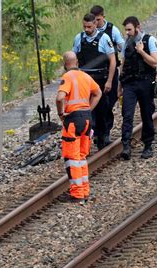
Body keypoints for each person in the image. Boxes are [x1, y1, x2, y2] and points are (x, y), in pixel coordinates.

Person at [56, 51, 102, 202]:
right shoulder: (85, 76)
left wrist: (61, 113)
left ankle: (77, 194)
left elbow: (60, 97)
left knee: (72, 158)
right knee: (82, 157)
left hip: (73, 121)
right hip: (87, 119)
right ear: (77, 62)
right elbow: (98, 93)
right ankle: (84, 190)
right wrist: (88, 108)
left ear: (65, 64)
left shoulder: (67, 77)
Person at [72, 13, 115, 150]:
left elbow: (112, 61)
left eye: (89, 26)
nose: (87, 29)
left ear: (95, 24)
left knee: (102, 110)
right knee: (85, 111)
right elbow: (74, 59)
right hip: (84, 81)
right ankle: (87, 139)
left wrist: (109, 81)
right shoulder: (79, 38)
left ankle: (102, 137)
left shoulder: (104, 38)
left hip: (100, 80)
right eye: (84, 26)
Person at [118, 16, 157, 160]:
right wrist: (120, 85)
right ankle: (126, 146)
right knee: (127, 114)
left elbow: (155, 62)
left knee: (146, 114)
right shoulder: (126, 42)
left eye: (129, 29)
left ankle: (147, 145)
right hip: (129, 83)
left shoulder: (150, 40)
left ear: (137, 27)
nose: (127, 32)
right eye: (126, 30)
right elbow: (123, 64)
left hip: (146, 83)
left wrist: (141, 51)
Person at [90, 5, 125, 144]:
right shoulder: (89, 33)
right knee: (95, 104)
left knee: (108, 103)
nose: (96, 23)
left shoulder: (112, 30)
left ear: (103, 17)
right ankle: (98, 132)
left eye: (98, 20)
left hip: (110, 72)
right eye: (94, 20)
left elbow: (123, 47)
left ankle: (105, 131)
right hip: (94, 75)